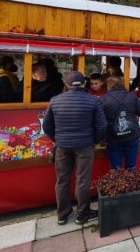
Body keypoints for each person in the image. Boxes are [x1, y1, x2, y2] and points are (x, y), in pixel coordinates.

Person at [43, 71, 107, 226]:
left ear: (66, 84)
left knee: (62, 180)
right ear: (84, 84)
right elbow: (102, 125)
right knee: (82, 180)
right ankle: (82, 214)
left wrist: (57, 139)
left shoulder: (55, 100)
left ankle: (62, 215)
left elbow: (46, 126)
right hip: (85, 146)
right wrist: (95, 140)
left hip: (62, 146)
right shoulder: (93, 101)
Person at [100, 76, 140, 170]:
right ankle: (130, 183)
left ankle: (117, 184)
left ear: (109, 86)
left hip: (113, 137)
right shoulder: (132, 96)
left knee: (115, 168)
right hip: (132, 136)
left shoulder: (103, 99)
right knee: (131, 167)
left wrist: (101, 136)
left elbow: (100, 120)